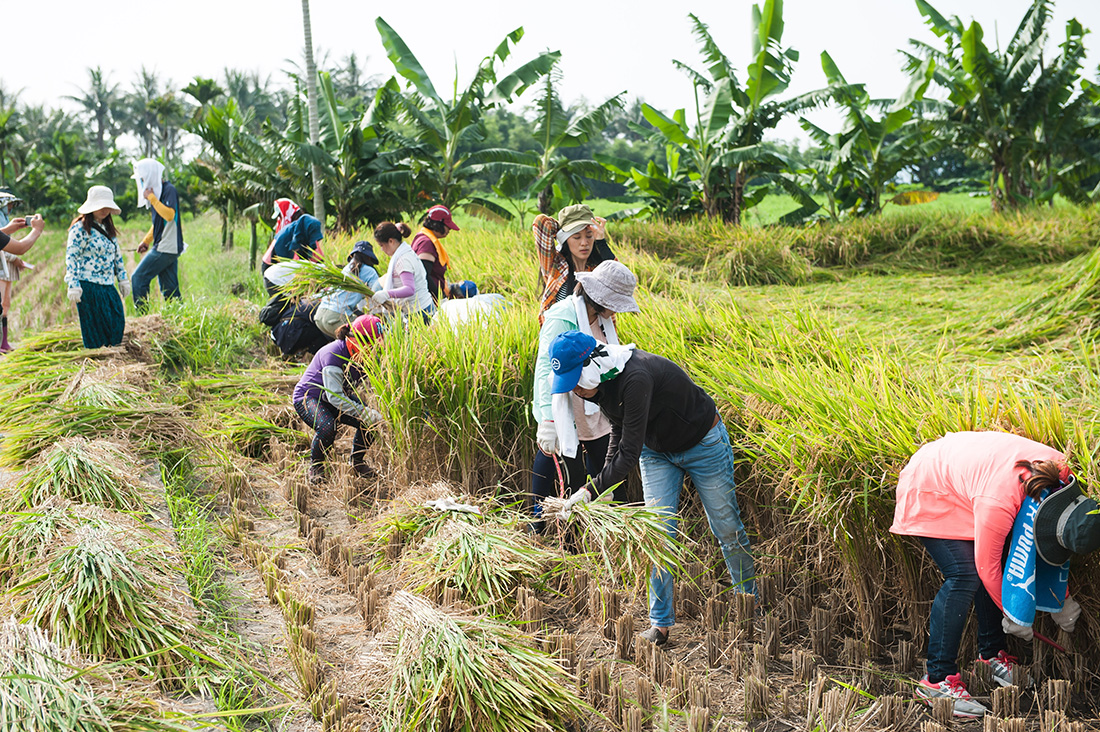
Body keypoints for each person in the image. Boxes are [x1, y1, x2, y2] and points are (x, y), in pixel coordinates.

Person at [548, 330, 754, 646]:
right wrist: (601, 482)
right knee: (656, 534)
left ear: (591, 365)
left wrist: (589, 490)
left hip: (702, 443)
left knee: (726, 527)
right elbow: (619, 431)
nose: (574, 389)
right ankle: (660, 624)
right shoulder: (598, 384)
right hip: (656, 451)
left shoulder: (635, 376)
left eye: (576, 380)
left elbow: (628, 453)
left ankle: (747, 602)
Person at [890, 431, 1098, 717]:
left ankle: (990, 657)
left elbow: (1046, 547)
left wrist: (1061, 598)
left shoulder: (1061, 475)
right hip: (932, 483)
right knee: (965, 575)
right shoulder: (998, 504)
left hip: (972, 478)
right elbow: (987, 569)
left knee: (996, 560)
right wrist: (1014, 614)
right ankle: (937, 681)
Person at [530, 261, 641, 531]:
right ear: (601, 298)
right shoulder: (562, 316)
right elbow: (547, 367)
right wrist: (548, 419)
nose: (616, 309)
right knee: (554, 464)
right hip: (566, 405)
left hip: (596, 405)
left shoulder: (603, 319)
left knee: (606, 476)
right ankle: (538, 526)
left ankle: (606, 530)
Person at [292, 314, 385, 482]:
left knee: (371, 423)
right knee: (328, 426)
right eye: (373, 344)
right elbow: (335, 398)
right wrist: (364, 411)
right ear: (358, 340)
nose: (376, 349)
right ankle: (316, 466)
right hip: (309, 398)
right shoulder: (334, 355)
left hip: (334, 398)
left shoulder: (367, 355)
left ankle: (357, 462)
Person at [65, 186, 130, 349]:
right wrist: (73, 284)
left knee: (116, 322)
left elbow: (117, 255)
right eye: (100, 205)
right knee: (95, 331)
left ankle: (111, 358)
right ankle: (98, 361)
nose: (104, 210)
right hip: (89, 285)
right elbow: (72, 256)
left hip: (108, 285)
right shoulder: (80, 228)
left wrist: (123, 279)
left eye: (107, 206)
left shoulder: (109, 229)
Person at [533, 203, 615, 322]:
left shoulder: (598, 268)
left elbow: (619, 280)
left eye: (589, 236)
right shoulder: (555, 265)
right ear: (565, 238)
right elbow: (541, 222)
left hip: (595, 338)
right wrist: (564, 227)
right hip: (561, 337)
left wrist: (601, 242)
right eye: (576, 237)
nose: (584, 243)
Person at [130, 158, 184, 309]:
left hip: (166, 247)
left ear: (149, 176)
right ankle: (181, 318)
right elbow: (158, 224)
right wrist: (146, 241)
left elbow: (169, 215)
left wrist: (152, 198)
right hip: (167, 247)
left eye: (142, 179)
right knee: (171, 291)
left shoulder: (168, 190)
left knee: (138, 278)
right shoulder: (158, 193)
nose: (141, 183)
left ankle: (143, 318)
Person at [313, 240, 382, 338]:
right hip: (336, 317)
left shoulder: (346, 269)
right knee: (367, 336)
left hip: (320, 315)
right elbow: (377, 295)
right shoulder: (370, 271)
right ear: (369, 257)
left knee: (345, 345)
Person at [370, 222, 433, 322]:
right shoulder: (406, 252)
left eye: (382, 245)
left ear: (391, 241)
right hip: (422, 308)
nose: (382, 249)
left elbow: (409, 289)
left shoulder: (403, 260)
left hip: (419, 312)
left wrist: (386, 294)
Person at [0, 191, 30, 352]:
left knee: (5, 304)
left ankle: (4, 342)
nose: (10, 208)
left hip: (6, 266)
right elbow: (14, 247)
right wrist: (37, 230)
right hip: (3, 265)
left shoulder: (4, 219)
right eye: (8, 204)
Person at [265, 213, 324, 295]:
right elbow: (286, 266)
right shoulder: (286, 238)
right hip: (272, 271)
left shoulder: (308, 238)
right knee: (282, 302)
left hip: (285, 274)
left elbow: (318, 260)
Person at [410, 205, 458, 303]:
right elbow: (424, 274)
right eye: (447, 226)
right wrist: (440, 298)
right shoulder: (426, 243)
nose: (450, 229)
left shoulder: (422, 237)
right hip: (427, 300)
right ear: (437, 224)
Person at [260, 198, 304, 276]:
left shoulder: (299, 228)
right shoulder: (287, 230)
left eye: (280, 215)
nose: (280, 219)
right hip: (272, 268)